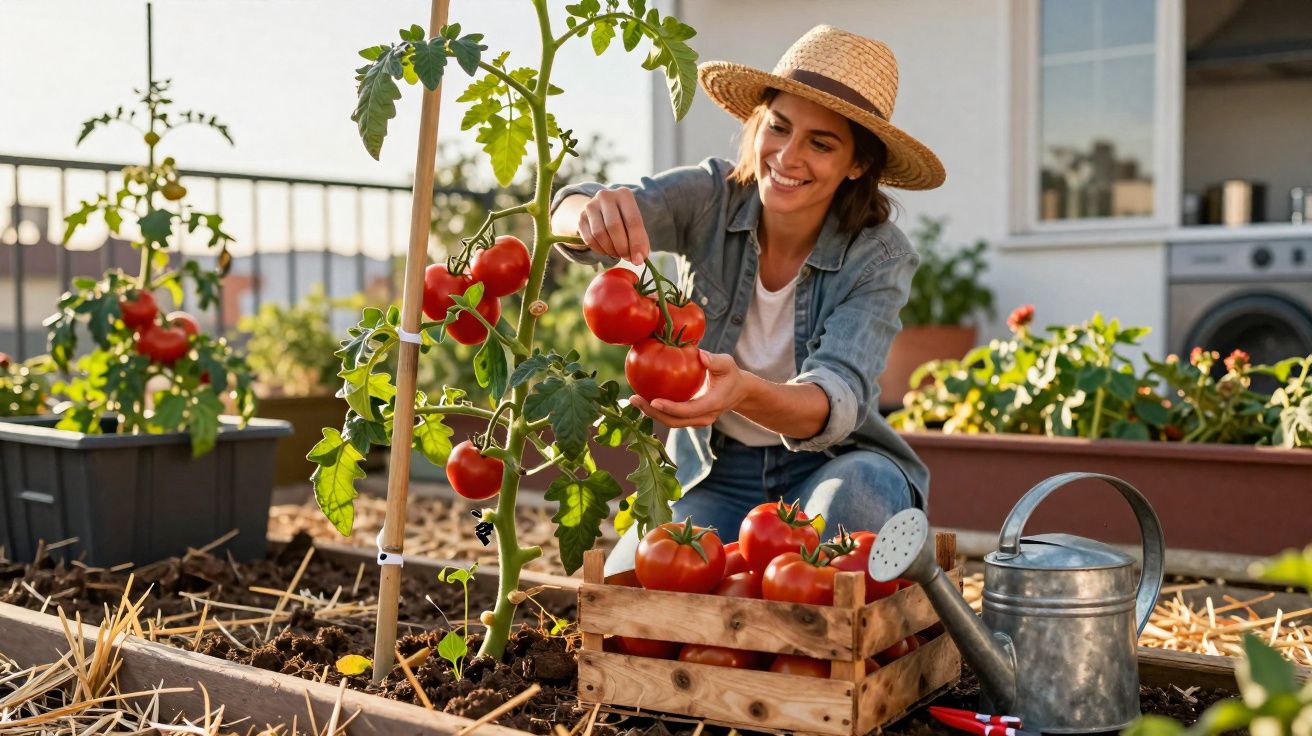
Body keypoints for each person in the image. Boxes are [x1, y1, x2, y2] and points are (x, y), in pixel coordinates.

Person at [549, 25, 946, 574]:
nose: (787, 155)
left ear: (857, 164)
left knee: (861, 496)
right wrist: (586, 214)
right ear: (758, 123)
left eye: (821, 143)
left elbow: (836, 399)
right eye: (778, 127)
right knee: (627, 582)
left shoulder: (878, 257)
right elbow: (574, 209)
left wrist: (738, 393)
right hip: (715, 472)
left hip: (833, 467)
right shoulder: (713, 197)